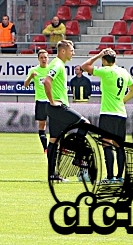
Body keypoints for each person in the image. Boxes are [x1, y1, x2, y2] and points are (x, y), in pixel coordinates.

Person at [81, 48, 133, 184]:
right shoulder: (123, 72)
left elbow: (84, 66)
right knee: (119, 146)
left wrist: (98, 54)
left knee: (107, 144)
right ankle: (120, 176)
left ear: (104, 61)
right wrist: (123, 100)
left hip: (108, 113)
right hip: (121, 114)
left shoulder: (106, 71)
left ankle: (110, 176)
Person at [43, 40, 89, 183]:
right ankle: (78, 158)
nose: (73, 52)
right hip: (57, 107)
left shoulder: (60, 64)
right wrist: (52, 100)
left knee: (53, 141)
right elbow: (46, 81)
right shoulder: (57, 64)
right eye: (71, 49)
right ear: (63, 51)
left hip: (54, 107)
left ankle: (52, 174)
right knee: (85, 124)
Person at [22, 49, 51, 153]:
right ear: (38, 59)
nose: (44, 59)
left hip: (51, 101)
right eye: (41, 57)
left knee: (55, 124)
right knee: (42, 124)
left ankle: (55, 146)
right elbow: (25, 85)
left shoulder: (52, 69)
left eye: (45, 57)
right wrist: (31, 77)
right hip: (40, 101)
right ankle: (45, 147)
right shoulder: (34, 70)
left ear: (48, 58)